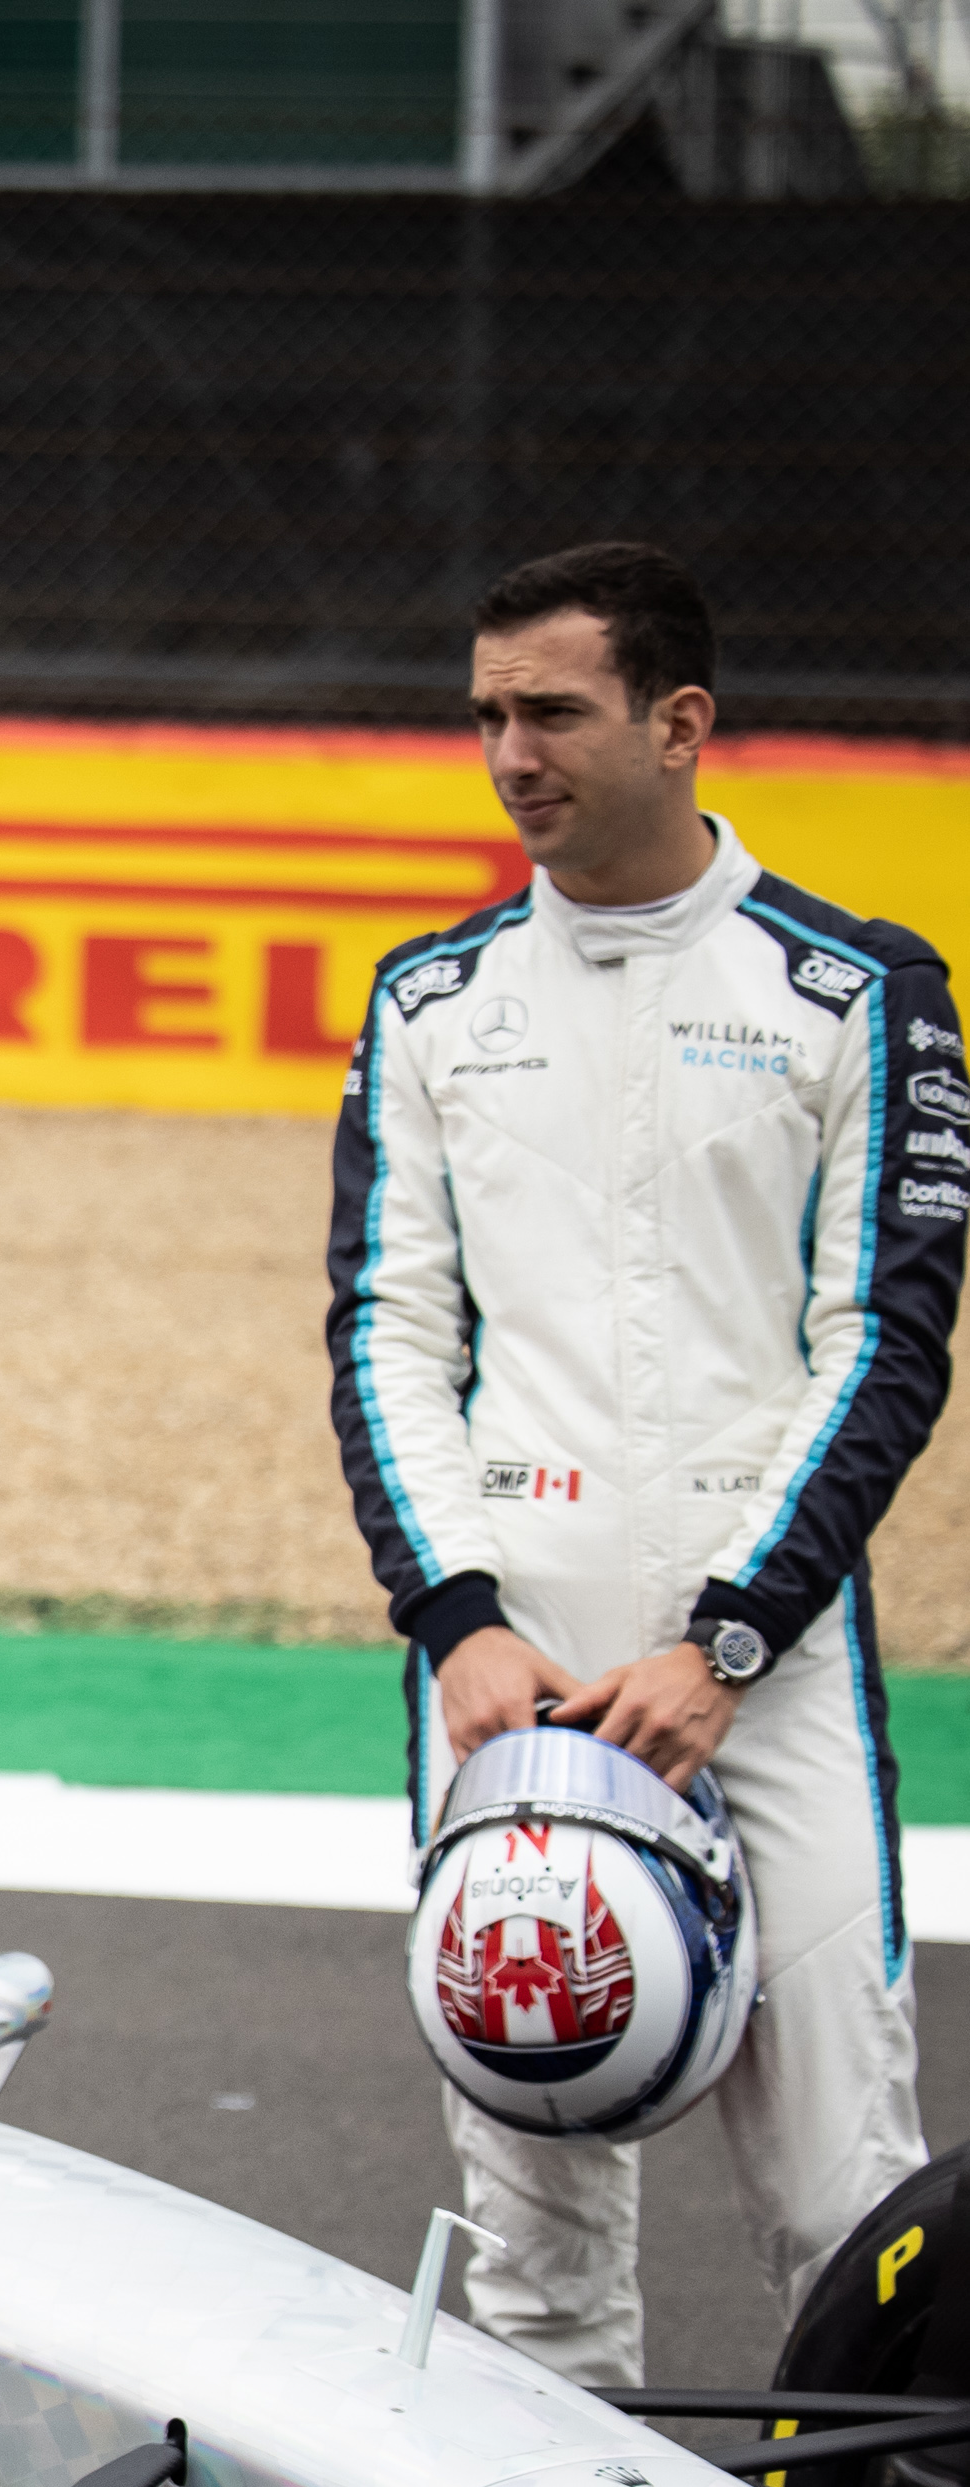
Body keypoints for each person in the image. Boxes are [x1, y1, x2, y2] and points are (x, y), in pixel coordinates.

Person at [330, 539, 959, 2384]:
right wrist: (453, 1620)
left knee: (854, 2209)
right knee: (530, 2241)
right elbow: (385, 1329)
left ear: (680, 723)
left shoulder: (859, 990)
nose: (510, 753)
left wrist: (732, 1642)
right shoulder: (430, 1002)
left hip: (761, 1667)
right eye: (485, 717)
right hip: (504, 1670)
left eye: (551, 711)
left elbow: (885, 1344)